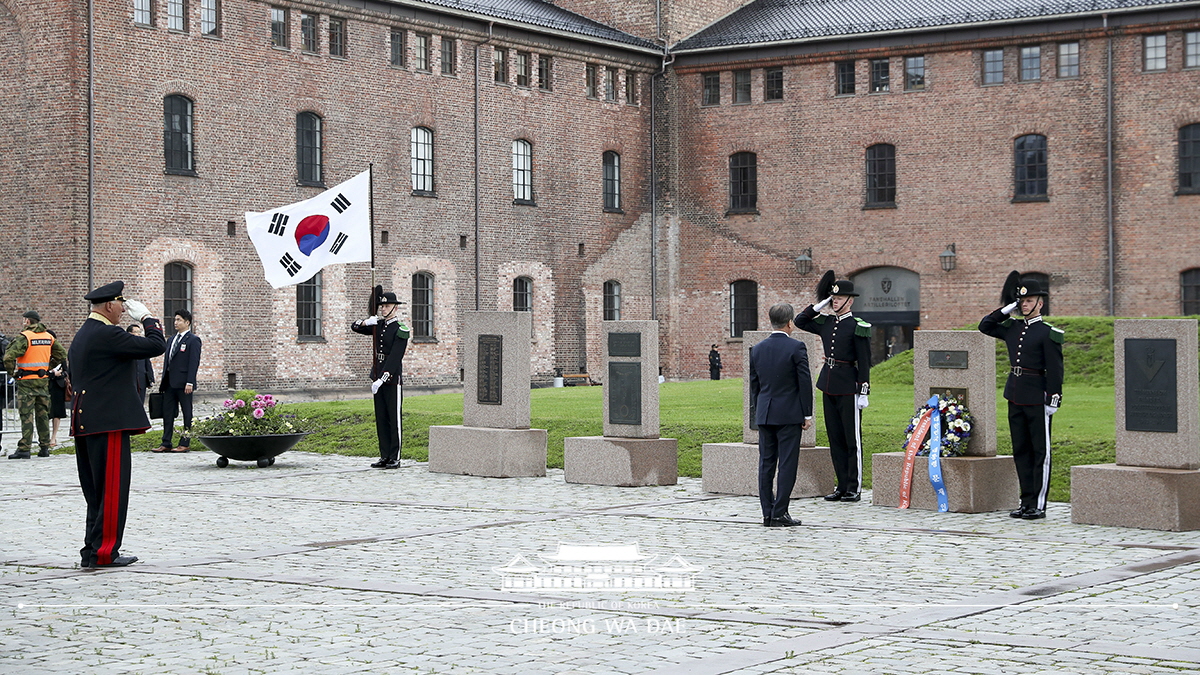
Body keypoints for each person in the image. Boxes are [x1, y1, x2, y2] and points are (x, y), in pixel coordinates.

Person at [68, 281, 165, 568]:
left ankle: (92, 548)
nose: (124, 310)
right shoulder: (107, 334)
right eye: (121, 305)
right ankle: (104, 552)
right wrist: (148, 318)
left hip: (89, 420)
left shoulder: (84, 333)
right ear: (109, 305)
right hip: (106, 423)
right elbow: (156, 345)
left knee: (96, 492)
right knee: (111, 490)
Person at [979, 278, 1063, 520]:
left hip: (1037, 396)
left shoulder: (1048, 333)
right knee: (1021, 451)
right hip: (1015, 394)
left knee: (1040, 452)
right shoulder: (1013, 328)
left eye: (1028, 301)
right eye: (1022, 301)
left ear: (1040, 303)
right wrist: (1008, 308)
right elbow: (985, 325)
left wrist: (1053, 398)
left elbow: (1055, 370)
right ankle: (1025, 502)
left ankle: (1038, 504)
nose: (1024, 305)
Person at [795, 279, 872, 502]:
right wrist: (819, 305)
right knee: (835, 438)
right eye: (833, 298)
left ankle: (853, 487)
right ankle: (840, 485)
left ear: (850, 300)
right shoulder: (826, 322)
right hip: (828, 383)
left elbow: (865, 362)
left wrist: (864, 390)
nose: (835, 302)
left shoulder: (858, 326)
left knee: (851, 440)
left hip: (849, 387)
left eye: (838, 298)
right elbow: (801, 321)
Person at [749, 303, 814, 527]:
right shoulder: (797, 347)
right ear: (790, 323)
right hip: (788, 415)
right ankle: (780, 512)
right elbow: (804, 383)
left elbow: (754, 386)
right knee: (786, 464)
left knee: (766, 464)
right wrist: (807, 414)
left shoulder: (757, 349)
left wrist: (759, 411)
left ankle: (767, 512)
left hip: (765, 414)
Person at [351, 290, 410, 469]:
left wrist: (382, 379)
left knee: (394, 419)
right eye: (381, 306)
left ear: (394, 307)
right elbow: (354, 327)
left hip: (391, 379)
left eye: (386, 306)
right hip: (377, 376)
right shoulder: (378, 325)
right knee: (382, 419)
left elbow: (394, 358)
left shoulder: (400, 329)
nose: (383, 309)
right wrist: (365, 321)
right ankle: (384, 455)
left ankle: (395, 457)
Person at [3, 310, 67, 459]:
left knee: (26, 415)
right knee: (43, 414)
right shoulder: (48, 337)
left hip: (26, 382)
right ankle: (44, 447)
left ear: (27, 321)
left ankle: (24, 448)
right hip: (43, 380)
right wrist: (48, 368)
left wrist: (12, 372)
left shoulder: (25, 337)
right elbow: (62, 354)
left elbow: (8, 356)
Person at [155, 309, 201, 453]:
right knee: (168, 412)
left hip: (183, 383)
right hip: (169, 382)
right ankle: (166, 442)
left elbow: (193, 362)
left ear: (187, 322)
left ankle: (185, 441)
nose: (176, 322)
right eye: (175, 320)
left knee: (187, 413)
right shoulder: (171, 339)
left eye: (179, 320)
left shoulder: (193, 340)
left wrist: (190, 382)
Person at [46, 327, 69, 447]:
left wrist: (61, 373)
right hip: (45, 383)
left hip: (57, 384)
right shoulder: (41, 352)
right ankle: (44, 436)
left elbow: (66, 370)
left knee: (57, 412)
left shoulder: (59, 353)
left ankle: (53, 437)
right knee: (45, 411)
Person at [127, 324, 155, 405]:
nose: (138, 334)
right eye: (136, 332)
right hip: (130, 381)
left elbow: (147, 363)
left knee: (140, 403)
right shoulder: (125, 347)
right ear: (129, 333)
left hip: (141, 380)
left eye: (140, 332)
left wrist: (150, 379)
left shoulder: (143, 346)